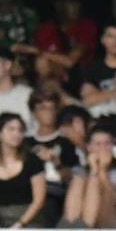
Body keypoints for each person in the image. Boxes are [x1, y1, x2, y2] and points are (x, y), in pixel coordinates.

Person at [0, 112, 47, 229]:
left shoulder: (32, 160)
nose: (17, 134)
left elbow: (39, 200)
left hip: (28, 221)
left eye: (20, 130)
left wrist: (19, 225)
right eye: (11, 129)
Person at [63, 124, 116, 229]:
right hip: (82, 217)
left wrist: (102, 171)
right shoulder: (80, 170)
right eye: (98, 144)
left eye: (107, 143)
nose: (103, 148)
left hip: (114, 219)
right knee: (79, 180)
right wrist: (94, 169)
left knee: (94, 183)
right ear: (89, 147)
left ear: (113, 146)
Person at [28, 89, 78, 224]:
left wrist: (56, 162)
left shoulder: (66, 142)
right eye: (42, 108)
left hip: (54, 193)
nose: (48, 113)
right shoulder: (25, 142)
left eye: (51, 108)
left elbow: (71, 178)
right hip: (27, 190)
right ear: (34, 113)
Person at [32, 0, 98, 90]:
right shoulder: (45, 30)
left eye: (77, 3)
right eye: (71, 3)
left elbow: (70, 61)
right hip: (54, 78)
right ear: (58, 5)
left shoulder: (86, 26)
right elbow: (43, 62)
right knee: (41, 62)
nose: (76, 7)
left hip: (82, 79)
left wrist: (32, 50)